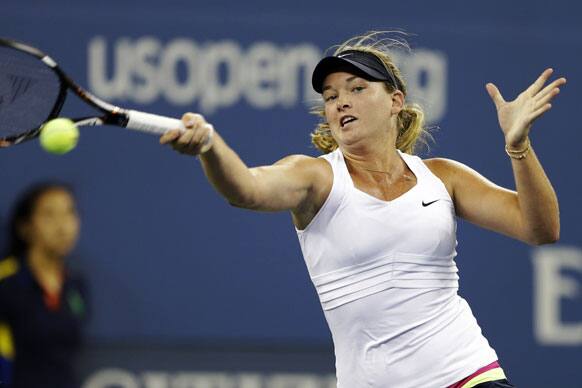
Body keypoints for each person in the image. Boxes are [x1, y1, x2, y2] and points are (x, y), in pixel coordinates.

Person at [159, 32, 565, 388]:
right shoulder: (314, 177)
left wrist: (518, 145)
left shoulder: (443, 177)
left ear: (395, 101)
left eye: (356, 89)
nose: (340, 103)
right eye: (331, 96)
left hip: (468, 373)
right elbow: (246, 189)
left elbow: (539, 229)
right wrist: (210, 147)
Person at [0, 183, 89, 388]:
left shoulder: (77, 286)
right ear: (25, 227)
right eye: (49, 214)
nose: (63, 226)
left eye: (70, 213)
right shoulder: (6, 282)